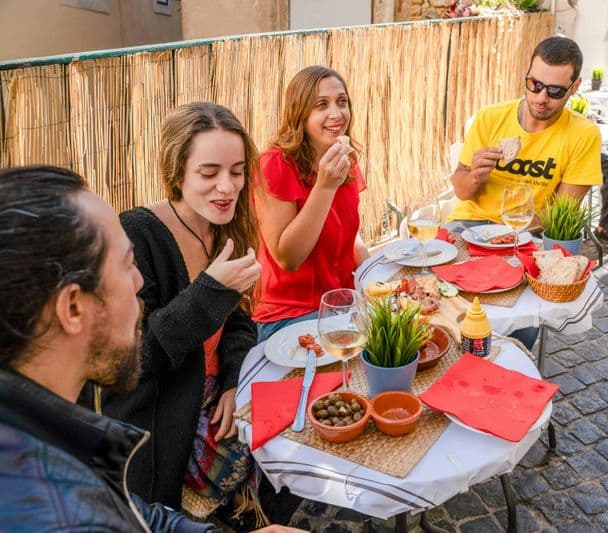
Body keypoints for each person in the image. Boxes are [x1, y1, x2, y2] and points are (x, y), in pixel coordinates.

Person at [0, 165, 298, 533]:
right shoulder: (52, 511)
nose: (140, 282)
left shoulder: (47, 428)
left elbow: (138, 515)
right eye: (127, 267)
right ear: (72, 308)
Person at [99, 102, 266, 524]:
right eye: (208, 174)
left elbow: (239, 320)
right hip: (161, 423)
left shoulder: (223, 226)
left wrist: (233, 380)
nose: (227, 187)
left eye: (237, 171)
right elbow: (134, 358)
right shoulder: (136, 235)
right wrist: (210, 290)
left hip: (215, 395)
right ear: (177, 173)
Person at [447, 35, 602, 348]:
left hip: (526, 235)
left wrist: (507, 236)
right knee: (448, 304)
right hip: (467, 226)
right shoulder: (491, 118)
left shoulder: (583, 134)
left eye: (555, 91)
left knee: (520, 323)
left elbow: (558, 214)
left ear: (575, 87)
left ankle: (505, 368)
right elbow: (462, 192)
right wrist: (475, 174)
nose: (541, 97)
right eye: (534, 84)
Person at [253, 65, 369, 343]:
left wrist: (377, 275)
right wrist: (325, 186)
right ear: (300, 114)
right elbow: (288, 258)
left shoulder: (344, 160)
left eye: (342, 102)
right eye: (321, 105)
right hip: (290, 315)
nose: (336, 113)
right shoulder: (275, 165)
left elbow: (346, 236)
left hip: (342, 305)